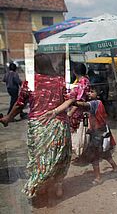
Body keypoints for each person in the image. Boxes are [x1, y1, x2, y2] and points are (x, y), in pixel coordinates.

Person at [0, 53, 75, 203]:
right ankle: (58, 185)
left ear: (36, 66)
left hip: (38, 126)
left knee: (40, 158)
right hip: (59, 124)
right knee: (60, 156)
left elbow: (19, 104)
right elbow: (70, 100)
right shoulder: (60, 81)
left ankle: (40, 186)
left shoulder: (31, 82)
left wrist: (8, 118)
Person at [75, 85, 117, 184]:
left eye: (92, 92)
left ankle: (98, 177)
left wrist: (73, 101)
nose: (89, 93)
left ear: (98, 95)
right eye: (89, 92)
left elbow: (83, 105)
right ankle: (115, 167)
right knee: (105, 152)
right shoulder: (100, 103)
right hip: (102, 130)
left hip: (97, 133)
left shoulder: (94, 103)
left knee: (94, 156)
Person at [67, 63, 90, 157]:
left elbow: (79, 100)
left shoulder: (82, 82)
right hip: (80, 114)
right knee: (80, 134)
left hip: (81, 114)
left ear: (75, 72)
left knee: (81, 135)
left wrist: (70, 112)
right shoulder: (82, 81)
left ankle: (82, 154)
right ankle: (82, 153)